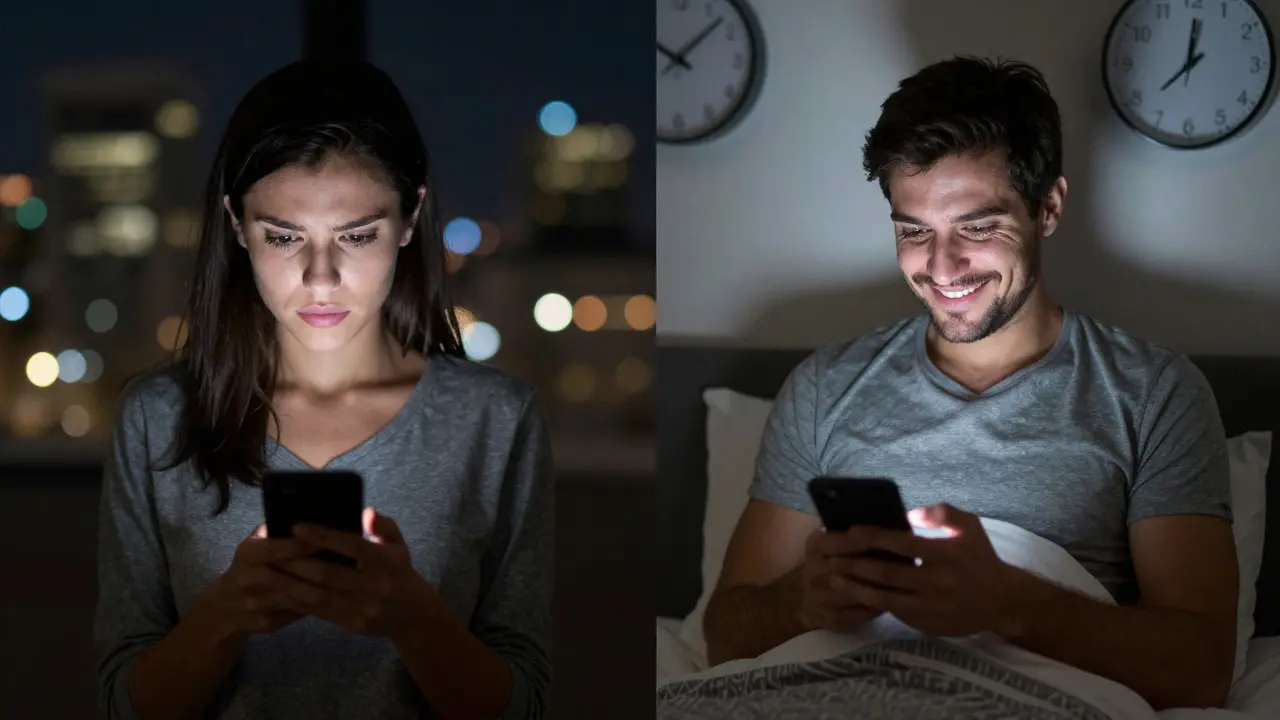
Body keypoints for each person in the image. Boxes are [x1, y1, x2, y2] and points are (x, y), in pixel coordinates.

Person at [702, 56, 1238, 711]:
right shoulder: (823, 388)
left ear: (1048, 207)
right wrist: (800, 601)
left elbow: (1204, 671)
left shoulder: (1153, 393)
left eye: (977, 227)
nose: (941, 266)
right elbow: (725, 638)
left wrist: (1007, 603)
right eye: (913, 232)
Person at [93, 60, 553, 720]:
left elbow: (525, 704)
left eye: (356, 235)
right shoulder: (157, 420)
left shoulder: (496, 421)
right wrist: (223, 616)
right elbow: (122, 704)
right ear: (237, 225)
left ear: (408, 218)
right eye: (284, 236)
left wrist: (415, 621)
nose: (320, 276)